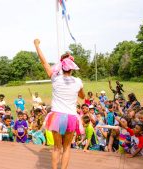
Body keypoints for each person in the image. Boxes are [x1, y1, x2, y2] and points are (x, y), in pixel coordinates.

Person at [34, 39, 85, 169]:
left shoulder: (55, 78)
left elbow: (44, 62)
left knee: (56, 148)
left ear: (61, 66)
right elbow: (83, 96)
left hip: (56, 116)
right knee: (67, 147)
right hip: (70, 117)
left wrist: (37, 45)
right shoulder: (78, 81)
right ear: (72, 68)